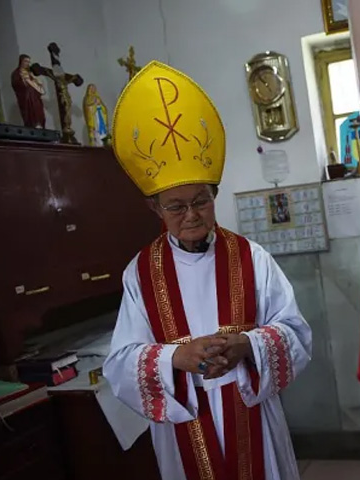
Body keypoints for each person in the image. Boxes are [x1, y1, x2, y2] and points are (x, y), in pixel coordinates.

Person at [103, 60, 312, 480]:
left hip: (250, 410)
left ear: (214, 193)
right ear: (154, 208)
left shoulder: (251, 257)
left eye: (200, 201)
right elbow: (120, 362)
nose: (192, 215)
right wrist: (175, 357)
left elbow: (295, 332)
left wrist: (248, 346)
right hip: (186, 418)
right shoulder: (140, 274)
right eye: (176, 207)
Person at [10, 54, 45, 128]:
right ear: (21, 61)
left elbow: (36, 84)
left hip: (35, 97)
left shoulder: (30, 73)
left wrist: (37, 83)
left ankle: (40, 123)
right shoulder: (16, 73)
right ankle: (33, 124)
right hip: (26, 98)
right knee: (30, 113)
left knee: (38, 111)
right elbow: (16, 84)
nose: (27, 63)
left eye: (28, 62)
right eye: (25, 61)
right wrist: (24, 82)